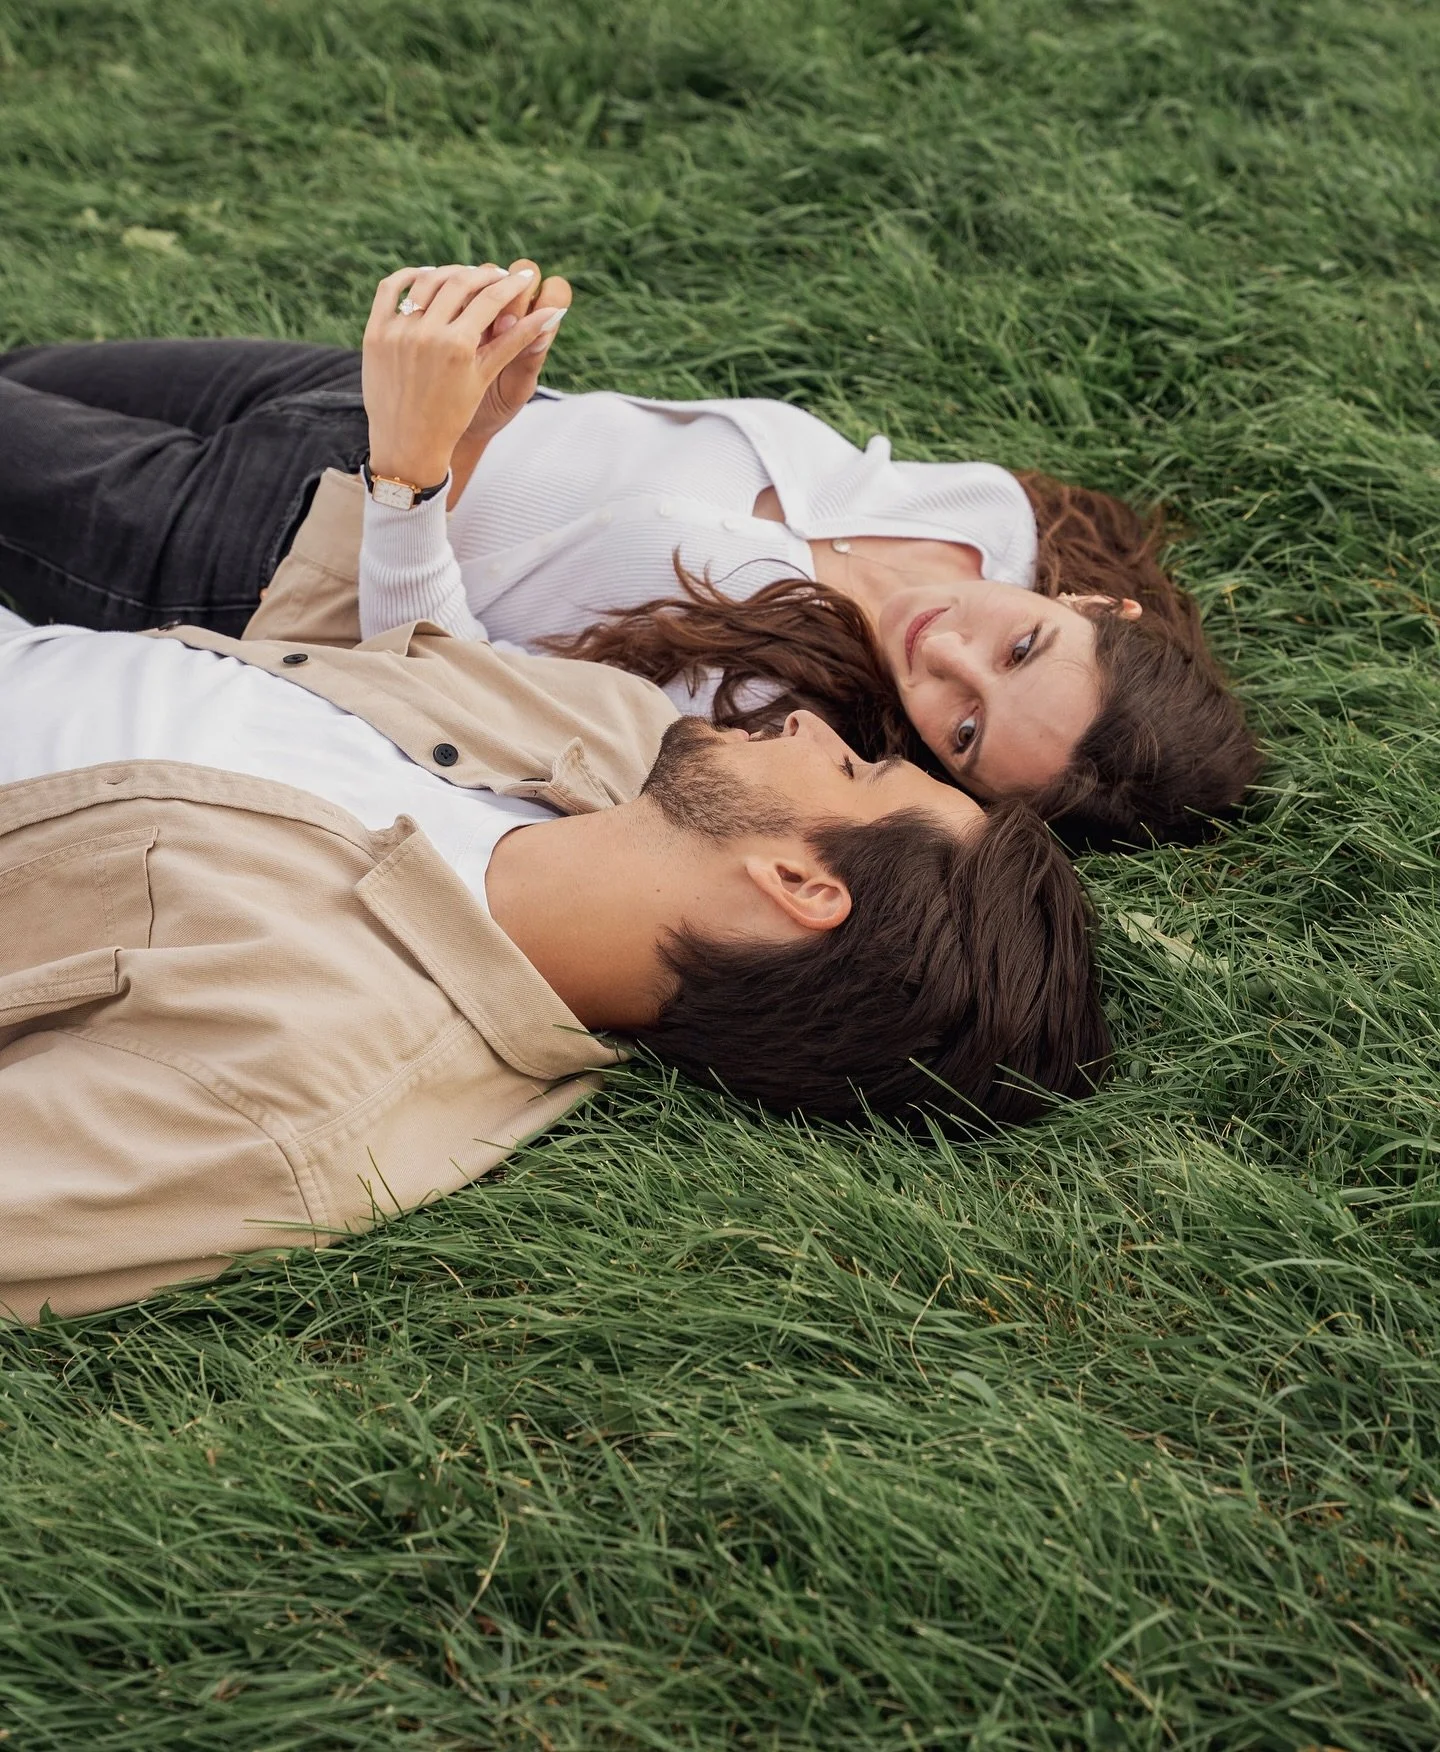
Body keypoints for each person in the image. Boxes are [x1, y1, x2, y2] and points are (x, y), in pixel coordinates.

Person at [0, 267, 1109, 1323]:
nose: (821, 725)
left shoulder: (300, 1080)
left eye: (860, 770)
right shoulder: (618, 753)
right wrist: (439, 459)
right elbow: (349, 658)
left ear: (797, 885)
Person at [0, 262, 1258, 849]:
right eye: (1023, 641)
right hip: (362, 395)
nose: (951, 661)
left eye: (966, 730)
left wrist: (421, 470)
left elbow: (439, 680)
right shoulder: (988, 518)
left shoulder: (772, 715)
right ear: (1090, 599)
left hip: (263, 544)